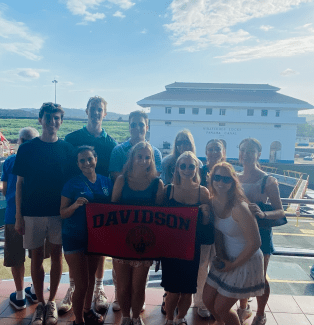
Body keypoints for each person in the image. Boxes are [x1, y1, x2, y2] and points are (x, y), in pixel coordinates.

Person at [14, 102, 75, 325]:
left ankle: (51, 303)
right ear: (40, 119)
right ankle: (40, 303)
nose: (52, 122)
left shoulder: (67, 149)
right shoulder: (27, 148)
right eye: (48, 117)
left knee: (57, 257)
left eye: (57, 118)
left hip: (59, 213)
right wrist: (18, 215)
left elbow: (71, 183)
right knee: (36, 257)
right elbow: (19, 184)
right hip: (32, 213)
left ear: (61, 121)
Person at [63, 96, 117, 314]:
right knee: (75, 253)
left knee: (99, 250)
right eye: (92, 109)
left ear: (105, 113)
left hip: (100, 202)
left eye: (100, 110)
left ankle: (98, 287)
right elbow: (65, 171)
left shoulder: (111, 143)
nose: (96, 113)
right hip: (76, 202)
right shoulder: (72, 138)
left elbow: (113, 174)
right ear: (86, 111)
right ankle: (74, 288)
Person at [109, 110, 162, 311]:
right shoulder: (119, 164)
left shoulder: (157, 180)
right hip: (123, 235)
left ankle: (135, 315)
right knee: (122, 285)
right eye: (134, 124)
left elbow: (159, 212)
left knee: (139, 284)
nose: (143, 160)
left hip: (145, 237)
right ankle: (124, 314)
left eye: (146, 157)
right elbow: (113, 207)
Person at [202, 162, 265, 325]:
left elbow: (256, 242)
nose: (221, 182)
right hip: (226, 257)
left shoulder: (239, 207)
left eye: (226, 179)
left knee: (221, 308)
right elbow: (217, 232)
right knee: (207, 300)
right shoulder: (212, 201)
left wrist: (232, 265)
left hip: (246, 260)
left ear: (233, 182)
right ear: (211, 179)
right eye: (217, 177)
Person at [60, 146, 113, 325]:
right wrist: (75, 205)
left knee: (90, 279)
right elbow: (63, 213)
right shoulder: (72, 183)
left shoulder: (106, 182)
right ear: (77, 163)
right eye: (82, 160)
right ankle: (78, 321)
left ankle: (87, 311)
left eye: (89, 159)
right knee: (81, 284)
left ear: (96, 159)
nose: (86, 163)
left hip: (96, 238)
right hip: (74, 237)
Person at [237, 138, 285, 325]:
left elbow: (280, 210)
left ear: (259, 154)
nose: (246, 154)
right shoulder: (236, 178)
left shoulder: (268, 180)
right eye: (243, 150)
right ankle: (243, 308)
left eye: (250, 151)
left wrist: (264, 213)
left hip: (261, 233)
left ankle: (260, 313)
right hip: (239, 232)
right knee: (241, 273)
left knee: (260, 277)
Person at [161, 151, 211, 325]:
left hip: (191, 247)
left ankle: (180, 318)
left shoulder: (203, 192)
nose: (187, 169)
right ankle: (169, 319)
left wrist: (205, 214)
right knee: (172, 291)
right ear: (177, 168)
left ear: (196, 168)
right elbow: (158, 220)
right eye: (183, 166)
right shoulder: (167, 190)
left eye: (191, 166)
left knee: (188, 290)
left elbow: (206, 224)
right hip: (170, 248)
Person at [1, 127, 39, 310]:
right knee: (36, 256)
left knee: (16, 257)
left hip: (11, 215)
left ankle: (19, 295)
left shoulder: (9, 161)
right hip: (35, 215)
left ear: (19, 141)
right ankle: (35, 290)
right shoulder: (40, 161)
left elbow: (4, 188)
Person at [194, 139, 226, 319]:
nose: (213, 152)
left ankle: (218, 301)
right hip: (205, 225)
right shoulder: (199, 172)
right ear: (205, 152)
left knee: (221, 265)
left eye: (217, 149)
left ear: (223, 152)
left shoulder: (228, 172)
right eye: (210, 149)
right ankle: (200, 302)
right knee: (201, 267)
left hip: (224, 227)